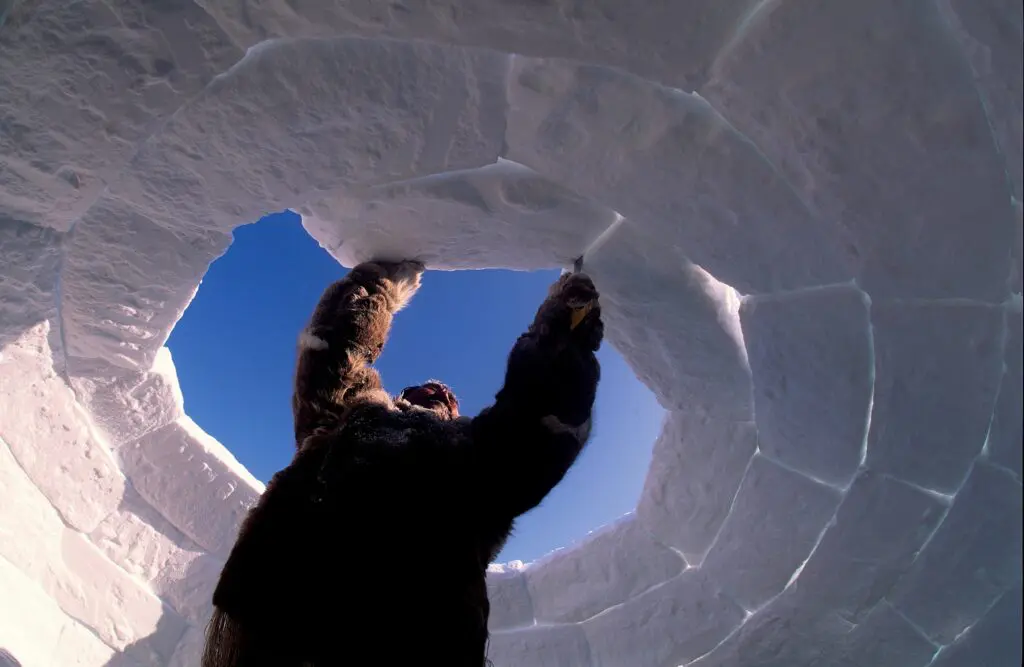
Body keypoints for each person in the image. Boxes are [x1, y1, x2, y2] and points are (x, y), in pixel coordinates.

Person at [202, 259, 603, 667]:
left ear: (453, 413)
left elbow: (533, 432)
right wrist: (378, 289)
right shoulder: (355, 414)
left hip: (412, 639)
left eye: (444, 397)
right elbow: (332, 358)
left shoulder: (475, 451)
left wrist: (559, 332)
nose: (437, 392)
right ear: (402, 397)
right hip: (278, 616)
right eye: (426, 390)